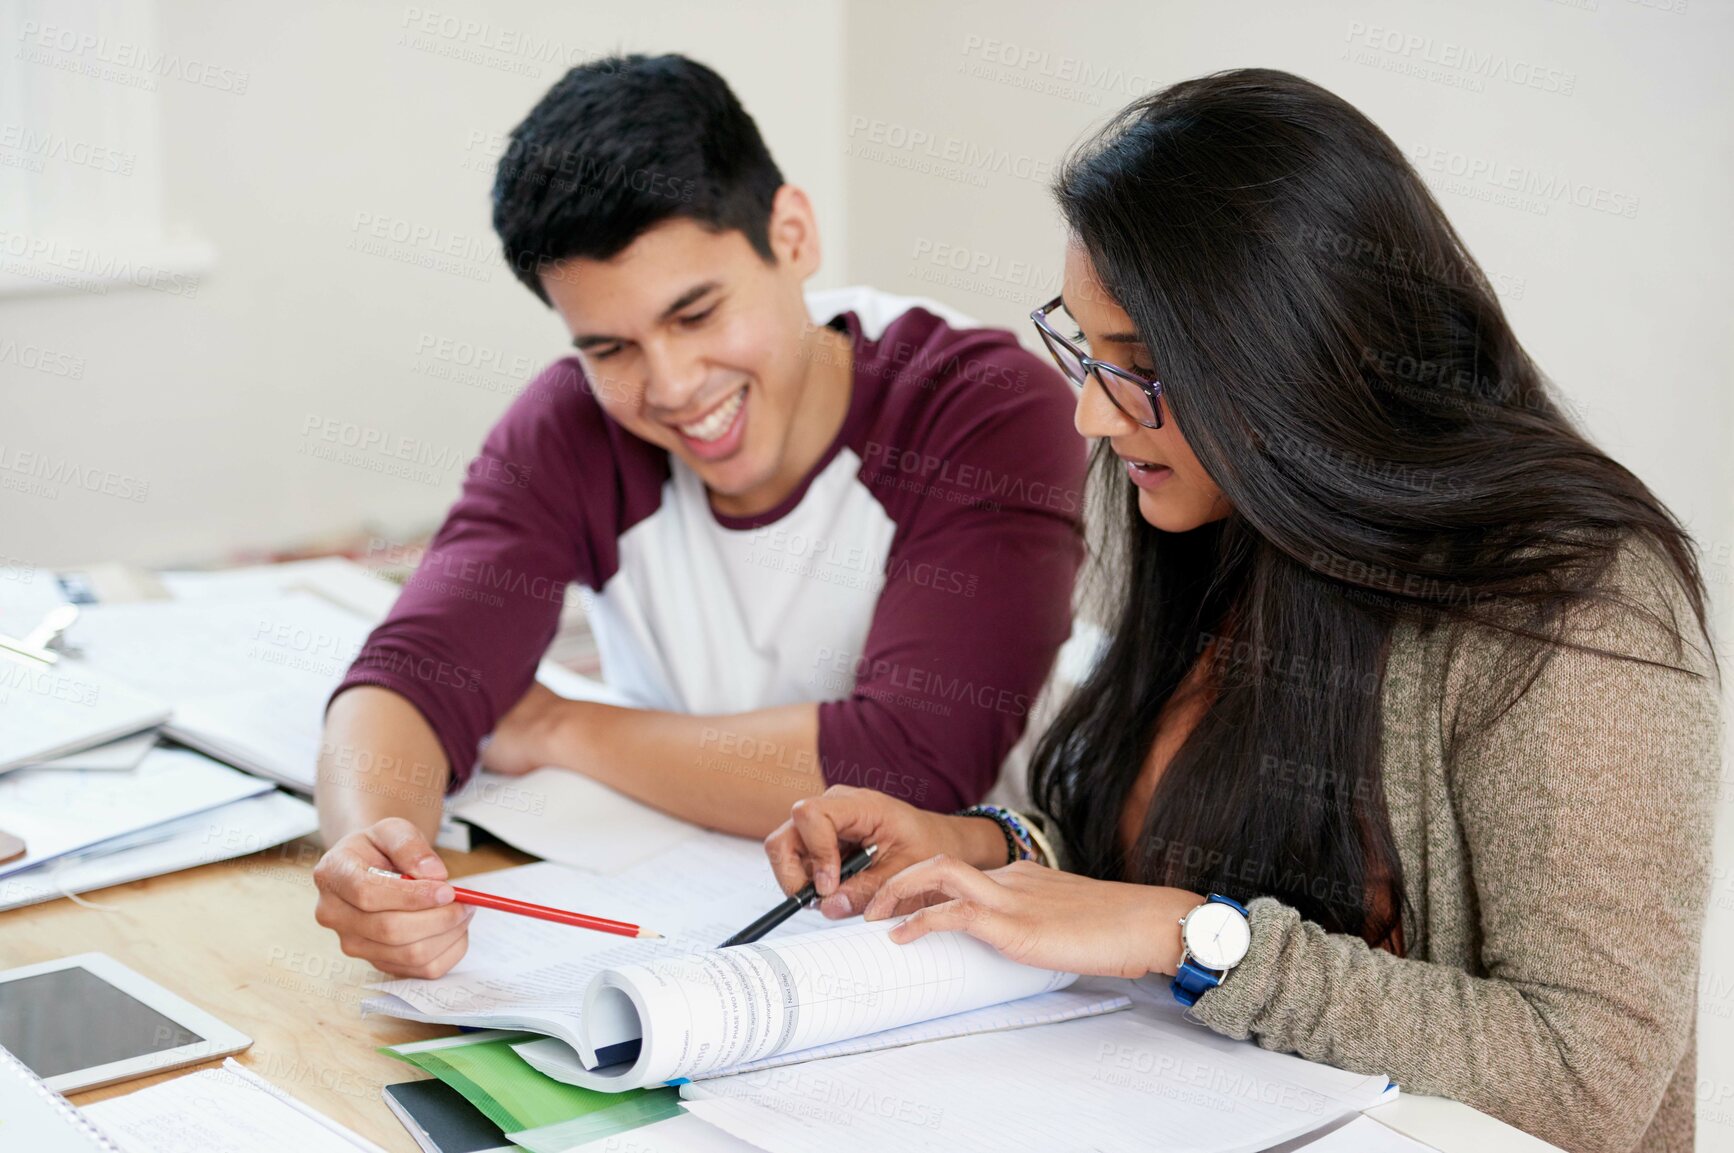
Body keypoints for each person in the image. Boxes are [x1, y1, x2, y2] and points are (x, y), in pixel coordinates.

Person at [762, 69, 1720, 1153]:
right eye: (1084, 347)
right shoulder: (1218, 504)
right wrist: (984, 845)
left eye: (1144, 367)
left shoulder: (1579, 604)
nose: (1089, 410)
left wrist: (1195, 939)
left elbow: (1587, 1082)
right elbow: (1165, 843)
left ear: (1300, 359)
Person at [312, 54, 1086, 979]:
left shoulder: (984, 407)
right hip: (699, 915)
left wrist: (562, 727)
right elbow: (411, 671)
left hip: (979, 948)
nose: (672, 388)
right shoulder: (573, 421)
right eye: (611, 346)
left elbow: (911, 768)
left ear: (792, 235)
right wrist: (371, 853)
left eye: (697, 313)